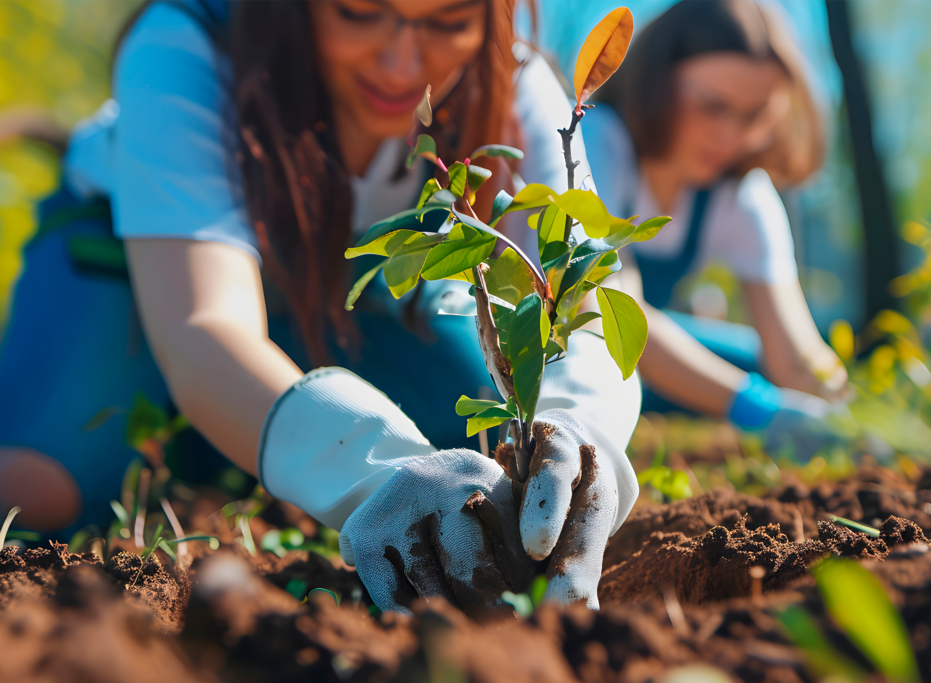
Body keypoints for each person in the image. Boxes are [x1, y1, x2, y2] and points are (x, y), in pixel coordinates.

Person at [0, 0, 640, 615]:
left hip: (337, 302)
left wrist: (582, 437)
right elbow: (206, 325)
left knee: (475, 429)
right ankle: (196, 435)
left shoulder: (513, 81)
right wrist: (377, 473)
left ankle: (238, 437)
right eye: (359, 13)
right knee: (36, 494)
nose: (400, 64)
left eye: (446, 22)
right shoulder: (190, 41)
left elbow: (582, 288)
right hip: (139, 276)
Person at [582, 0, 848, 460]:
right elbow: (614, 312)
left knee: (752, 358)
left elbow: (794, 352)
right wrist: (756, 407)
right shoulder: (598, 142)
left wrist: (855, 415)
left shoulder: (739, 194)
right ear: (656, 85)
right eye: (711, 106)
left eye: (754, 116)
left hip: (641, 364)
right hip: (573, 348)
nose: (730, 136)